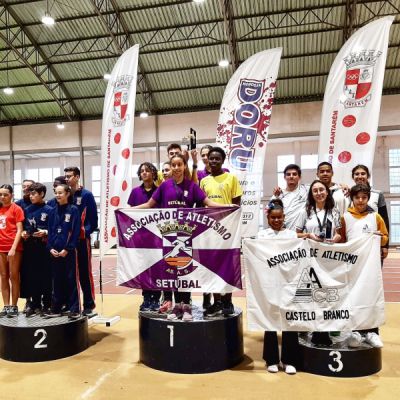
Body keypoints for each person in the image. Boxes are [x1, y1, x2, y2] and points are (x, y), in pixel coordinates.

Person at [134, 154, 221, 321]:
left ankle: (186, 306)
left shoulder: (192, 186)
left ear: (184, 166)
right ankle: (176, 307)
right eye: (173, 165)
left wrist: (228, 206)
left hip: (186, 235)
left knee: (185, 271)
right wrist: (127, 210)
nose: (176, 168)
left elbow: (208, 203)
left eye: (179, 164)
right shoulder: (164, 186)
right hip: (168, 236)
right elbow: (149, 205)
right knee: (171, 271)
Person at [339, 184, 388, 348]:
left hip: (370, 266)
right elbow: (342, 241)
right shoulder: (345, 218)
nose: (360, 201)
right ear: (352, 198)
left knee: (371, 297)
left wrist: (379, 238)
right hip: (352, 266)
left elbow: (385, 237)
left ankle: (373, 332)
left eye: (364, 197)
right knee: (354, 297)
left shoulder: (376, 217)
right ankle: (355, 333)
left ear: (368, 198)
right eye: (357, 197)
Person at [295, 180, 341, 346]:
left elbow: (339, 234)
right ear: (311, 194)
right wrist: (309, 235)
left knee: (327, 293)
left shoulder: (334, 211)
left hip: (328, 257)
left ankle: (325, 332)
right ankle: (312, 329)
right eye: (315, 190)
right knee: (312, 293)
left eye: (322, 190)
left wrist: (334, 239)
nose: (319, 193)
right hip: (310, 258)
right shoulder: (305, 211)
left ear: (327, 192)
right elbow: (296, 234)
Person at [258, 199, 299, 375]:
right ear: (268, 218)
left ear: (284, 217)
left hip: (288, 282)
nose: (276, 220)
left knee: (289, 319)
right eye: (273, 217)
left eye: (279, 217)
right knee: (270, 319)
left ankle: (289, 360)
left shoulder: (292, 235)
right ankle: (271, 359)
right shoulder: (262, 236)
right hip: (269, 283)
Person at [200, 146, 242, 317]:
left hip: (227, 230)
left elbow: (236, 204)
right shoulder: (204, 181)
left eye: (217, 158)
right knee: (212, 267)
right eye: (211, 158)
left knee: (228, 266)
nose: (214, 161)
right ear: (208, 160)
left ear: (223, 160)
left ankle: (227, 301)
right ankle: (217, 301)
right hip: (210, 230)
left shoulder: (231, 178)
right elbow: (202, 205)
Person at [128, 162, 161, 312]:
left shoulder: (160, 191)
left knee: (156, 269)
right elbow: (129, 213)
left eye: (147, 170)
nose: (144, 173)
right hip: (141, 237)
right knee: (143, 269)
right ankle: (146, 298)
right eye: (142, 171)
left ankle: (156, 298)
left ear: (153, 173)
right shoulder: (135, 192)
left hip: (157, 237)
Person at [64, 167, 98, 316]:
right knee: (70, 274)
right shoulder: (65, 194)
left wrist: (84, 232)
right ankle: (72, 305)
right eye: (65, 176)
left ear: (77, 177)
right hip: (66, 241)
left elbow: (93, 220)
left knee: (84, 273)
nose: (67, 179)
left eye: (69, 176)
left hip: (82, 241)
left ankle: (89, 304)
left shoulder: (86, 195)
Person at [45, 184, 81, 319]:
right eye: (56, 193)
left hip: (68, 252)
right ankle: (56, 308)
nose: (57, 195)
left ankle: (74, 308)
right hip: (54, 252)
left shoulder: (73, 210)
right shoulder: (52, 211)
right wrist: (50, 248)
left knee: (71, 279)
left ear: (67, 194)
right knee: (57, 280)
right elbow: (50, 232)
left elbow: (75, 231)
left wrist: (68, 248)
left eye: (60, 193)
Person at [21, 183, 53, 316]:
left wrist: (45, 232)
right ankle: (35, 304)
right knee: (32, 276)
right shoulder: (27, 209)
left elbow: (54, 228)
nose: (31, 196)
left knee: (46, 276)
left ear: (42, 194)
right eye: (30, 193)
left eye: (34, 194)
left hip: (44, 248)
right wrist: (24, 233)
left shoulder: (50, 210)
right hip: (30, 248)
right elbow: (24, 227)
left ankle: (47, 304)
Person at [351, 164, 389, 263]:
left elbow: (384, 220)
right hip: (354, 244)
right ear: (353, 177)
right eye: (356, 174)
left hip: (374, 243)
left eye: (363, 174)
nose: (360, 176)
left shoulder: (378, 194)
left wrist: (385, 246)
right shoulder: (348, 193)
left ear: (368, 176)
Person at [0, 185, 24, 317]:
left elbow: (20, 230)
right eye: (0, 195)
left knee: (14, 276)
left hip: (13, 247)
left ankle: (14, 306)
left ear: (11, 195)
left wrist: (13, 248)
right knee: (3, 276)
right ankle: (6, 305)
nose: (2, 197)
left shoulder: (16, 209)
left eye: (5, 194)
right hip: (0, 248)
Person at [271, 164, 308, 230]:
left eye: (294, 174)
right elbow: (270, 213)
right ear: (284, 177)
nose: (291, 176)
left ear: (299, 177)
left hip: (300, 232)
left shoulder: (306, 190)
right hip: (283, 232)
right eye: (288, 174)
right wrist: (276, 196)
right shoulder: (278, 195)